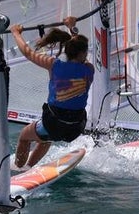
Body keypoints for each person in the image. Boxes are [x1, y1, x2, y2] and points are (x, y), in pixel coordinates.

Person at [11, 16, 94, 170]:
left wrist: (16, 33)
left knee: (24, 136)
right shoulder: (89, 69)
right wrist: (72, 28)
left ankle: (18, 170)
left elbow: (28, 53)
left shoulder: (54, 65)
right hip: (76, 127)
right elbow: (79, 50)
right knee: (45, 138)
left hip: (53, 124)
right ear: (83, 53)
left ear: (68, 50)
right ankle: (28, 166)